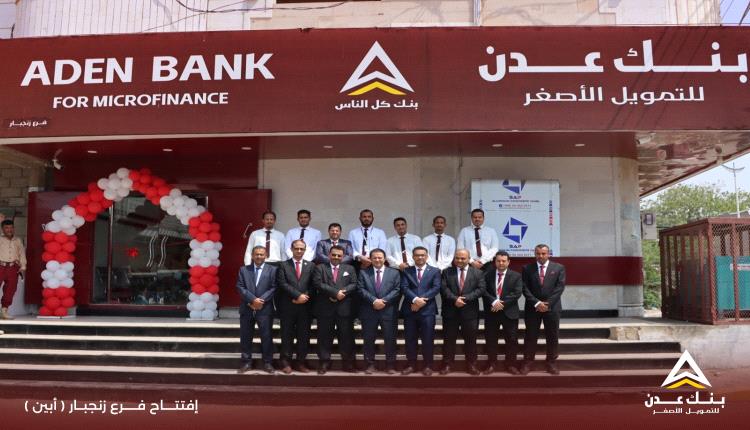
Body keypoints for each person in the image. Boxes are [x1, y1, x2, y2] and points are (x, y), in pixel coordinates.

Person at [520, 244, 566, 375]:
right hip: (532, 308)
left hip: (552, 308)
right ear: (535, 254)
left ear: (549, 254)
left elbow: (560, 287)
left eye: (543, 253)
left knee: (552, 335)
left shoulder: (558, 268)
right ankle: (528, 362)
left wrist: (548, 303)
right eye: (538, 253)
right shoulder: (527, 268)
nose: (541, 256)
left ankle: (551, 362)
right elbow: (524, 288)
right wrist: (537, 303)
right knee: (530, 335)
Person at [312, 245, 358, 374]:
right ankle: (324, 362)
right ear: (329, 255)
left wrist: (341, 293)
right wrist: (334, 293)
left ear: (343, 257)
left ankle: (348, 363)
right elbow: (317, 283)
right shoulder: (320, 268)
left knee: (346, 336)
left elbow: (354, 284)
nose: (336, 257)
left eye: (339, 255)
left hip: (344, 308)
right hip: (325, 308)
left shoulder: (349, 268)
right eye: (334, 255)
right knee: (324, 337)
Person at [439, 249, 485, 375]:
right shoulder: (447, 272)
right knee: (449, 340)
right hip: (450, 312)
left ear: (469, 259)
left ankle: (472, 365)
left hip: (470, 313)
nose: (459, 260)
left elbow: (481, 289)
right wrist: (455, 299)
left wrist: (465, 299)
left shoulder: (478, 273)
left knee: (471, 340)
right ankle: (447, 364)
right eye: (457, 258)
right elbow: (443, 288)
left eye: (463, 258)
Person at [357, 248, 402, 374]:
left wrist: (384, 301)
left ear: (384, 259)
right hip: (369, 310)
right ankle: (369, 365)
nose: (377, 260)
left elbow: (397, 289)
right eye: (374, 258)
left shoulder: (394, 273)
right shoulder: (363, 273)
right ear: (370, 259)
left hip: (388, 311)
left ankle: (390, 365)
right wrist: (374, 301)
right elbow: (360, 289)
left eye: (380, 257)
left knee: (390, 338)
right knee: (368, 339)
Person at [236, 246, 277, 374]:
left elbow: (274, 287)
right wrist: (252, 300)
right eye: (257, 254)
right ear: (252, 256)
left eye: (261, 254)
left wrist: (260, 301)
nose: (259, 256)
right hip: (247, 308)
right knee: (246, 337)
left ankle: (268, 362)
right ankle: (246, 362)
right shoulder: (244, 270)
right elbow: (240, 287)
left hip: (265, 309)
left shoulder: (273, 270)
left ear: (266, 256)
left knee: (266, 337)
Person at [400, 246, 441, 376]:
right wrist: (415, 299)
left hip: (427, 310)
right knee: (410, 339)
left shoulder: (435, 271)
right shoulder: (406, 271)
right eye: (417, 255)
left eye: (422, 255)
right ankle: (411, 365)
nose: (420, 257)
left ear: (427, 256)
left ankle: (428, 365)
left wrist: (420, 301)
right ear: (413, 257)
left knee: (428, 339)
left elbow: (436, 288)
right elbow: (404, 287)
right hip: (410, 309)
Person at [276, 239, 315, 373]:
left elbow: (313, 285)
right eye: (296, 248)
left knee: (303, 336)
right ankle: (285, 362)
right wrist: (298, 296)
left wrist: (305, 297)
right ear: (291, 249)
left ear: (305, 250)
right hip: (288, 306)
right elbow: (282, 283)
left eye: (301, 249)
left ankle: (300, 362)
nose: (299, 251)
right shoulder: (283, 265)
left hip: (305, 307)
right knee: (287, 335)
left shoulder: (311, 266)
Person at [482, 251, 523, 375]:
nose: (501, 263)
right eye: (498, 261)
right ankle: (491, 364)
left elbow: (517, 293)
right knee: (491, 339)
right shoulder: (487, 275)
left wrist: (501, 304)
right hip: (492, 312)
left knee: (511, 340)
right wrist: (494, 302)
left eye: (504, 261)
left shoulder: (516, 276)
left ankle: (511, 364)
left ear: (508, 262)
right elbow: (483, 290)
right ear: (495, 262)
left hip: (509, 312)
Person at [0, 219, 26, 320]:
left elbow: (21, 253)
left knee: (10, 289)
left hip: (13, 267)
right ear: (2, 229)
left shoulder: (17, 240)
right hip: (1, 266)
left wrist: (23, 266)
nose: (9, 230)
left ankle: (4, 311)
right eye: (6, 228)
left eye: (11, 228)